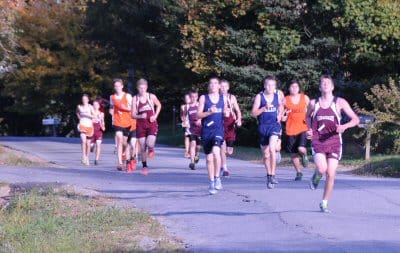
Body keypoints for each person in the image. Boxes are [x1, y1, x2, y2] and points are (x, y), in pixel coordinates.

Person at [307, 75, 359, 212]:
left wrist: (345, 126)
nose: (325, 85)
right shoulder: (313, 103)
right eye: (322, 83)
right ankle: (316, 176)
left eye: (327, 83)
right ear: (319, 87)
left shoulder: (339, 102)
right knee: (322, 168)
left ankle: (324, 202)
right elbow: (307, 116)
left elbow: (355, 119)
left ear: (332, 87)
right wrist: (309, 129)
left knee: (331, 173)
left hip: (335, 141)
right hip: (318, 140)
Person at [251, 76, 283, 189]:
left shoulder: (277, 96)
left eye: (272, 85)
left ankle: (273, 175)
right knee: (266, 155)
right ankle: (269, 175)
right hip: (263, 127)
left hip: (274, 126)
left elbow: (281, 106)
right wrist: (264, 108)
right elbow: (253, 113)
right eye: (268, 85)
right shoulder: (259, 97)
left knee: (272, 149)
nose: (270, 87)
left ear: (275, 87)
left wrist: (280, 115)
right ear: (264, 85)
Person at [197, 77, 227, 194]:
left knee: (216, 152)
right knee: (209, 159)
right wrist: (209, 112)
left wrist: (227, 113)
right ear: (209, 86)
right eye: (211, 83)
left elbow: (225, 112)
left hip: (218, 131)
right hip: (206, 132)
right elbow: (198, 115)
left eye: (216, 83)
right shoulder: (203, 98)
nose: (213, 85)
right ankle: (211, 182)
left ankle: (217, 178)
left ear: (219, 86)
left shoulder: (223, 98)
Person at [131, 78, 162, 175]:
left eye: (144, 88)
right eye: (140, 88)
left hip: (151, 123)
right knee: (143, 147)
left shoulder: (151, 96)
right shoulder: (135, 99)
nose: (142, 90)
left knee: (150, 143)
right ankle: (144, 166)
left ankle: (151, 148)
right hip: (140, 125)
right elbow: (132, 114)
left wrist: (155, 115)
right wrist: (140, 116)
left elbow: (159, 105)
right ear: (137, 88)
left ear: (147, 88)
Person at [282, 80, 310, 181]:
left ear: (299, 88)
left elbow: (312, 112)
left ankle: (305, 155)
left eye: (296, 87)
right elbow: (281, 115)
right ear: (289, 88)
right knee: (293, 153)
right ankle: (299, 172)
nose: (294, 89)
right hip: (290, 128)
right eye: (292, 87)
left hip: (303, 127)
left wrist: (311, 126)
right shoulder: (285, 100)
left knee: (301, 148)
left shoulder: (305, 98)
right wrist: (283, 117)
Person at [220, 79, 242, 176]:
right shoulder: (216, 98)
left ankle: (222, 163)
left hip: (230, 126)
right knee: (222, 149)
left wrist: (239, 119)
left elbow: (238, 110)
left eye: (225, 86)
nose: (223, 88)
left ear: (228, 87)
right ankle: (224, 168)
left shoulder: (232, 97)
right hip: (220, 125)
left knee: (229, 151)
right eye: (222, 86)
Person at [109, 79, 132, 171]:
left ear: (122, 86)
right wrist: (112, 114)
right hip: (117, 121)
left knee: (125, 143)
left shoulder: (127, 96)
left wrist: (124, 108)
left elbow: (132, 108)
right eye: (115, 86)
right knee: (119, 139)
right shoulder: (112, 97)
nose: (117, 88)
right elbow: (111, 108)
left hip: (127, 122)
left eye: (119, 86)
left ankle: (123, 154)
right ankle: (120, 163)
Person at [76, 94, 94, 166]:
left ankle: (87, 158)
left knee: (88, 144)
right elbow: (77, 112)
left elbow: (94, 115)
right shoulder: (79, 106)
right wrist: (79, 118)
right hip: (82, 125)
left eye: (85, 99)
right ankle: (83, 156)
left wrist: (87, 115)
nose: (84, 100)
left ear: (88, 100)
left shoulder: (90, 107)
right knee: (83, 141)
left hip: (89, 126)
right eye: (83, 99)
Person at [187, 90, 201, 170]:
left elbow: (204, 115)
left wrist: (200, 120)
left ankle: (197, 154)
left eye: (195, 97)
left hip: (200, 129)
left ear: (197, 97)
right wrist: (185, 122)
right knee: (192, 144)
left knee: (198, 147)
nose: (194, 98)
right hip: (192, 129)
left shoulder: (200, 105)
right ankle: (192, 162)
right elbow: (184, 116)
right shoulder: (188, 106)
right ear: (190, 97)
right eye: (192, 97)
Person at [91, 99, 106, 165]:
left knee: (98, 144)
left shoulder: (101, 114)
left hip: (98, 130)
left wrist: (103, 126)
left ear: (99, 106)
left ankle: (96, 159)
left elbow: (102, 121)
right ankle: (91, 147)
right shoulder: (90, 113)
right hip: (91, 130)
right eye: (94, 105)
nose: (95, 106)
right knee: (91, 147)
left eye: (97, 105)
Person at [180, 94, 191, 158]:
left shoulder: (195, 105)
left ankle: (191, 151)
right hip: (186, 123)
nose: (187, 100)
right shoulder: (183, 106)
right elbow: (181, 115)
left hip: (193, 123)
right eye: (186, 99)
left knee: (193, 138)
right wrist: (183, 120)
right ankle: (186, 151)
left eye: (188, 98)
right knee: (187, 137)